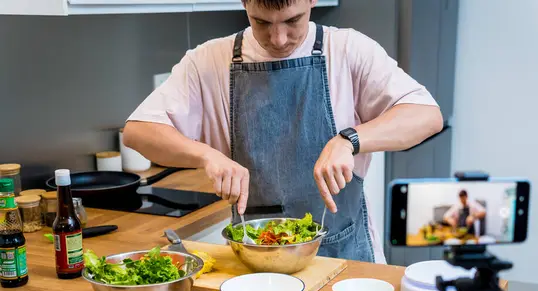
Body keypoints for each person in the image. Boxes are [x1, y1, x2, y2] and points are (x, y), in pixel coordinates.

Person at [122, 0, 443, 264]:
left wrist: (349, 139)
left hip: (347, 261)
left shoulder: (348, 50)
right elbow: (137, 132)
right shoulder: (207, 61)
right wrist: (206, 154)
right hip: (256, 262)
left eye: (293, 20)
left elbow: (426, 115)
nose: (278, 39)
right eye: (261, 22)